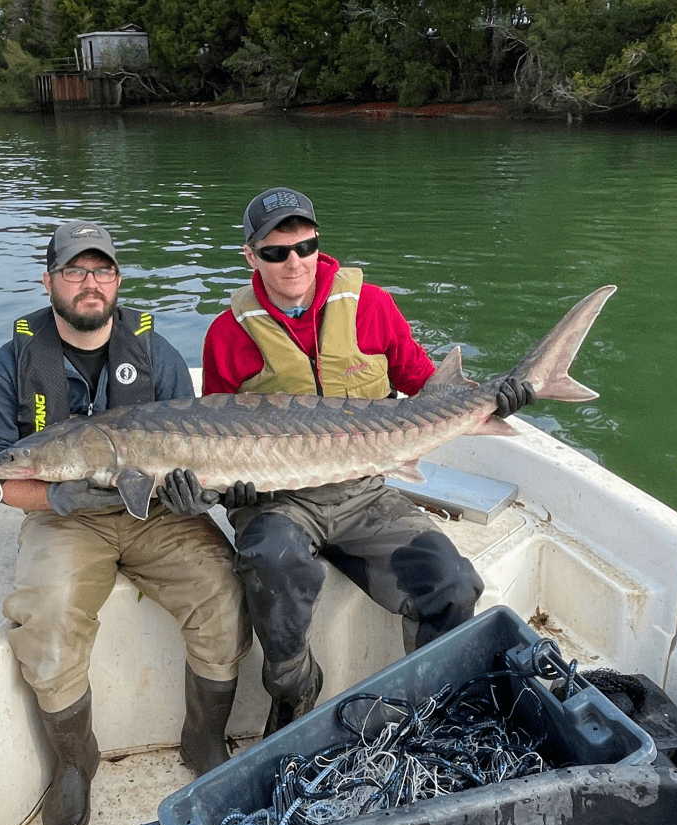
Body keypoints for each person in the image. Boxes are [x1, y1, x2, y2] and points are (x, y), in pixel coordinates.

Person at [160, 188, 536, 738]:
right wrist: (219, 492)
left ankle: (432, 712)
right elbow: (212, 438)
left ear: (318, 245)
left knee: (453, 584)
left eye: (306, 246)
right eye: (275, 251)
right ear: (250, 256)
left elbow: (424, 385)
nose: (294, 261)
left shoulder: (372, 305)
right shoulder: (227, 334)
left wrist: (496, 396)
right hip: (279, 503)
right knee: (269, 559)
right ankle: (294, 693)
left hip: (366, 495)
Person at [0, 221, 251, 825]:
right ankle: (74, 762)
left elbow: (201, 452)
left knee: (224, 588)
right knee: (45, 612)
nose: (90, 284)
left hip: (155, 515)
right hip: (65, 518)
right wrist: (50, 493)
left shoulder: (156, 354)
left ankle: (203, 738)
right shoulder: (11, 363)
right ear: (49, 282)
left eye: (102, 271)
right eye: (74, 271)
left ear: (117, 281)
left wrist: (192, 493)